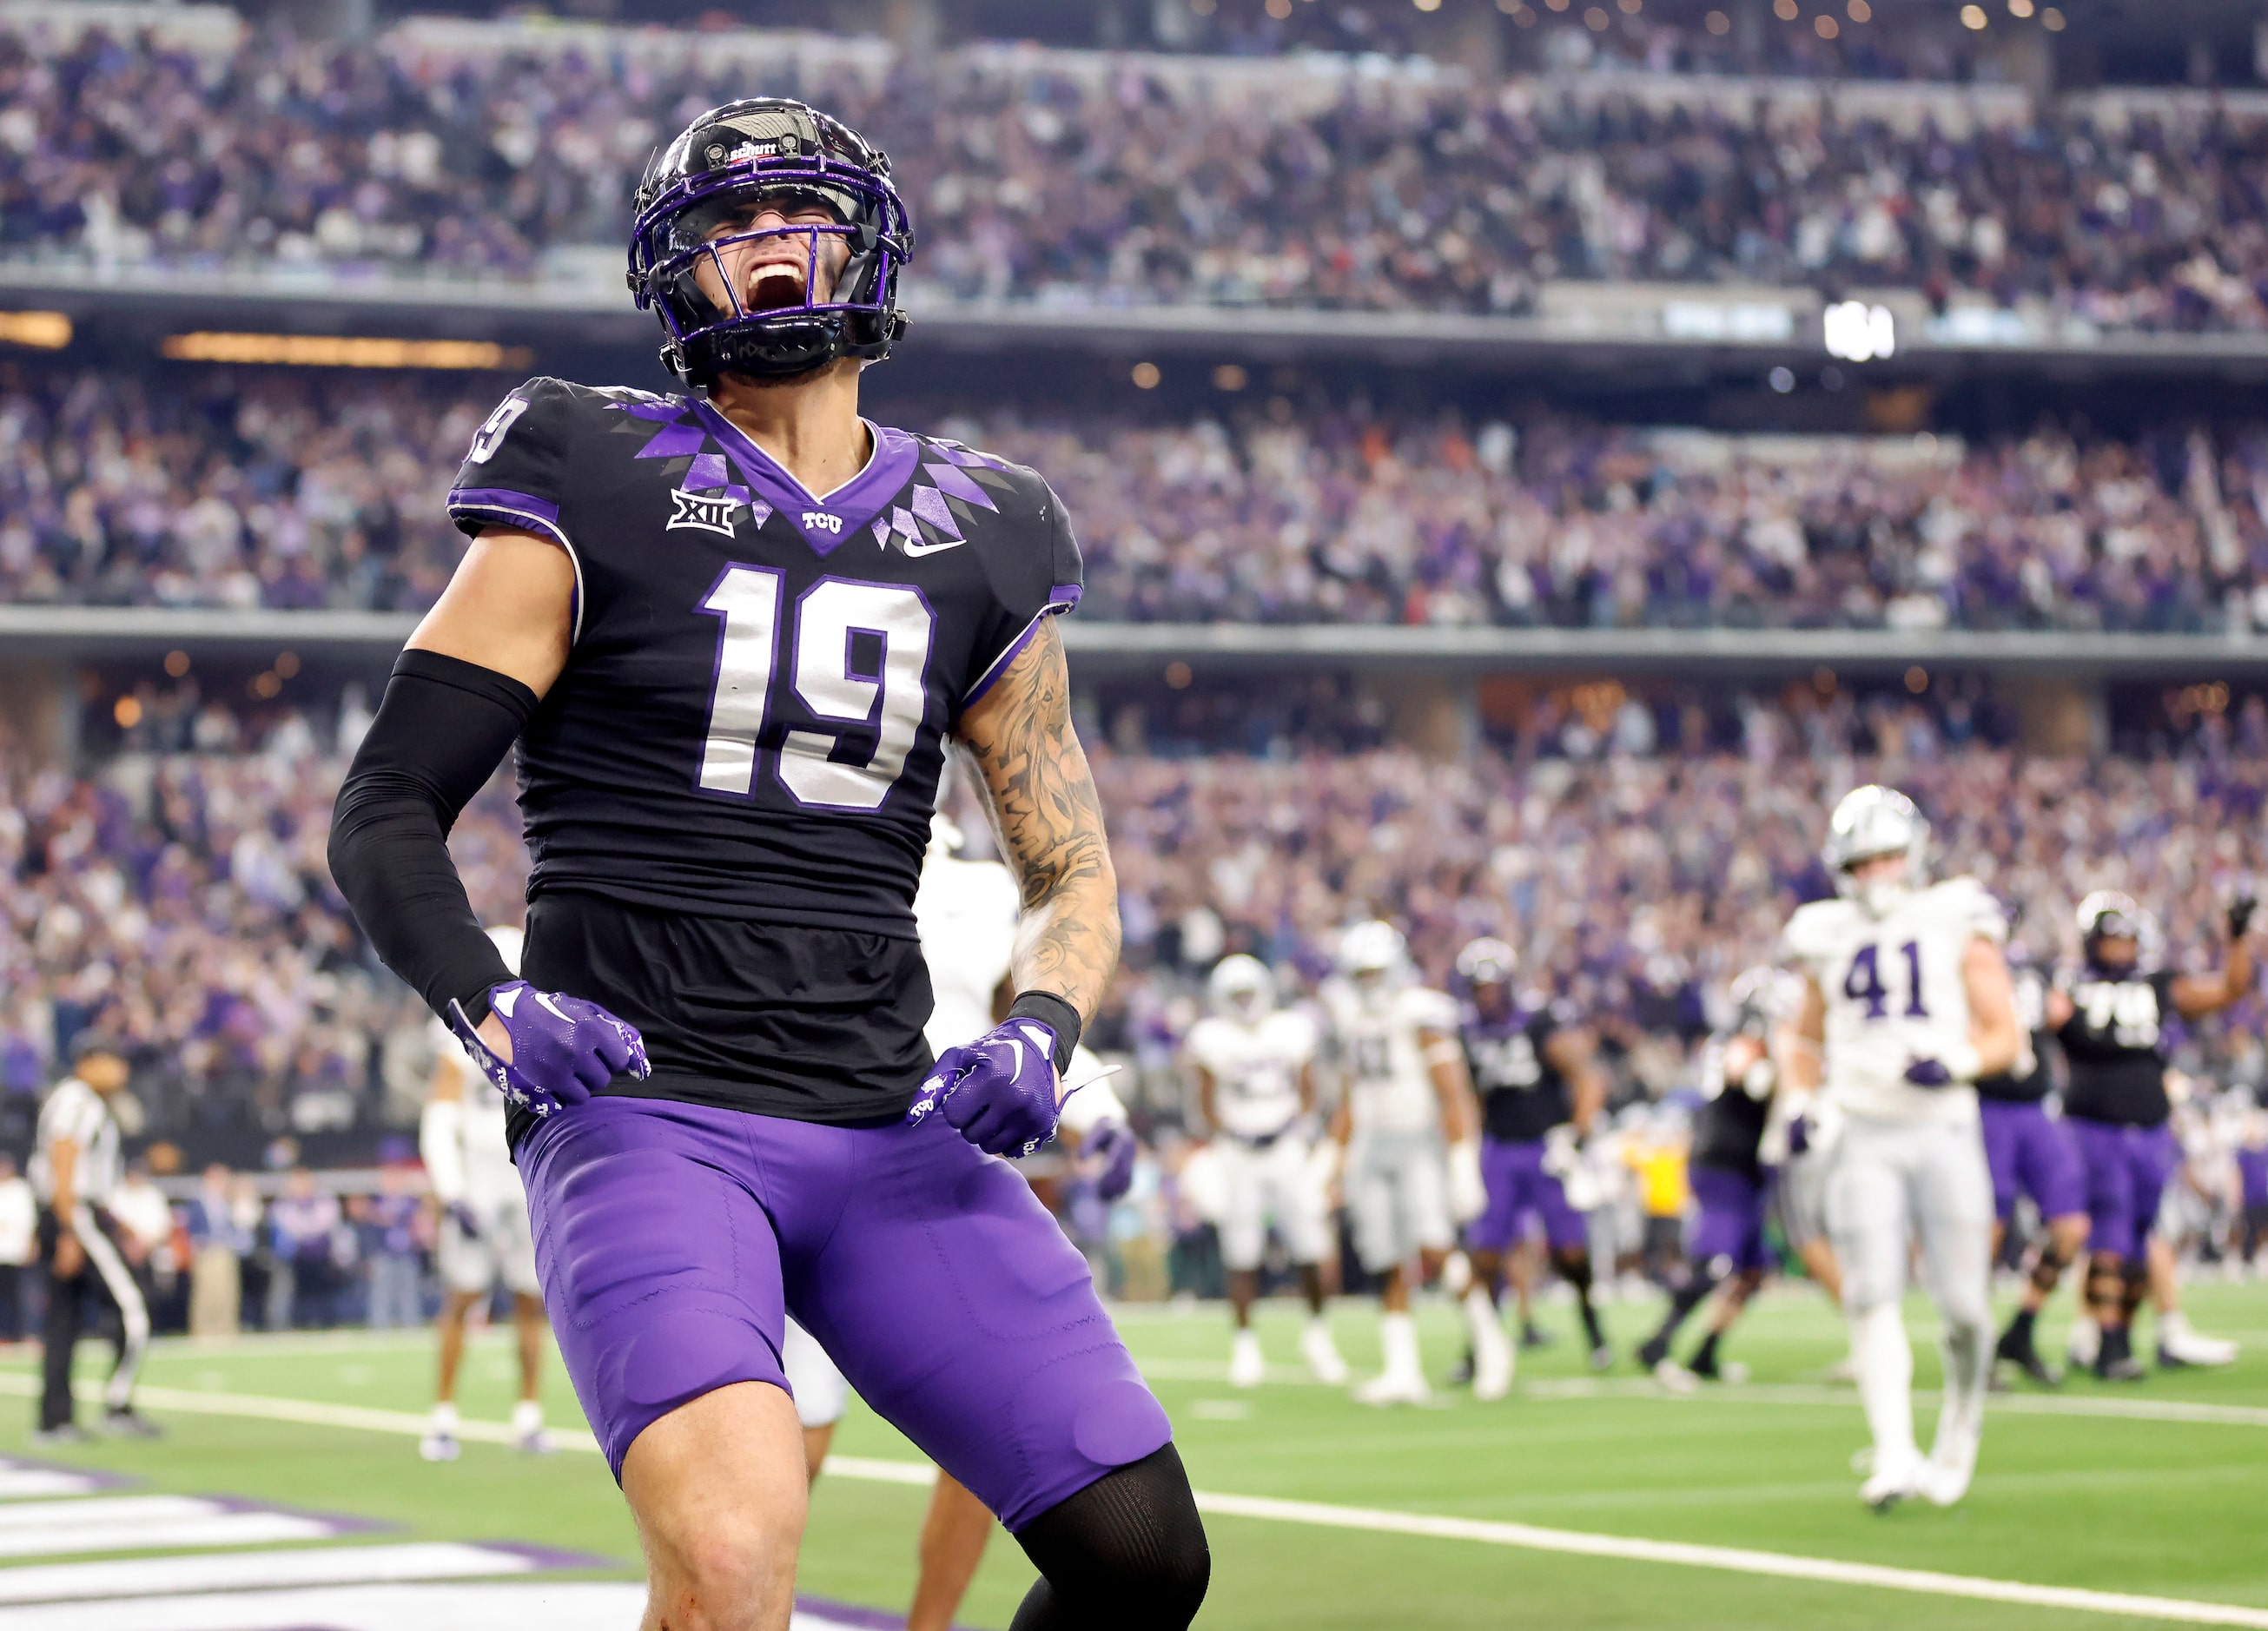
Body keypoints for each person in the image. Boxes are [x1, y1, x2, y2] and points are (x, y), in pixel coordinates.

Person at [327, 97, 1207, 1630]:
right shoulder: (587, 466)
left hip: (886, 1123)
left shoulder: (988, 524)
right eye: (730, 227)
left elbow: (1072, 866)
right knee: (733, 1566)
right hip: (649, 1116)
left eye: (796, 214)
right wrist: (489, 1001)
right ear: (685, 274)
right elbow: (388, 799)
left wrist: (1042, 1030)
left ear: (864, 243)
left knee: (1144, 1562)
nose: (769, 248)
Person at [1781, 786, 2020, 1510]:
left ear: (1913, 855)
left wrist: (1957, 1062)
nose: (1877, 872)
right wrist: (1799, 1100)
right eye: (1862, 862)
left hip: (1941, 1124)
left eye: (1887, 856)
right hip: (1861, 1129)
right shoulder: (1823, 933)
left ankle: (1960, 1420)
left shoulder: (1954, 917)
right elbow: (1801, 1036)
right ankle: (1891, 1452)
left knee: (1965, 1306)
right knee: (1869, 1290)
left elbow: (2006, 1034)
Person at [2050, 890, 2252, 1380]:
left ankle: (2116, 1331)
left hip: (2150, 1129)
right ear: (2092, 940)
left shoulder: (2158, 986)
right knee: (2112, 1231)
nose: (2120, 948)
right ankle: (2107, 1340)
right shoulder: (2068, 988)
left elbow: (2229, 988)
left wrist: (2239, 939)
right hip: (2094, 1127)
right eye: (2110, 937)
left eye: (2126, 938)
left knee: (2141, 1236)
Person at [1322, 920, 1480, 1406]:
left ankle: (1489, 1341)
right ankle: (1402, 1370)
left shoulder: (1421, 1011)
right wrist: (1331, 1158)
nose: (1370, 982)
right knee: (1386, 1257)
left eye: (1376, 972)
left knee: (1435, 1246)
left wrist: (1462, 1161)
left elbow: (1454, 1093)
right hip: (1373, 1143)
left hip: (1417, 1140)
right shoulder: (1352, 1020)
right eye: (1361, 973)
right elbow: (1352, 1096)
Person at [1455, 937, 1611, 1394]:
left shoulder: (1538, 1022)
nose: (1486, 994)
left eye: (1492, 984)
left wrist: (1576, 1135)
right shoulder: (1467, 1031)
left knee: (1570, 1250)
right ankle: (1479, 1346)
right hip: (1498, 1150)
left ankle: (1592, 1324)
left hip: (1545, 1147)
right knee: (1484, 1255)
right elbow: (1468, 1098)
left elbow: (1587, 1077)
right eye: (1478, 986)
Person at [1186, 954, 1346, 1390]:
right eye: (1235, 994)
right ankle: (1245, 1344)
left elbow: (1309, 1085)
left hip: (1286, 1146)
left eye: (1248, 993)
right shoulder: (1211, 1037)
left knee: (1311, 1244)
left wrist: (1304, 1130)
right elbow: (1204, 1099)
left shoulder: (1290, 1028)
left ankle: (1317, 1335)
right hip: (1237, 1150)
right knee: (1241, 1252)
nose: (1243, 1001)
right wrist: (1221, 1141)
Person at [420, 924, 551, 1459]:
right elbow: (441, 1111)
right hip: (478, 1176)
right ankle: (444, 1415)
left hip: (522, 1171)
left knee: (531, 1298)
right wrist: (451, 1191)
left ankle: (527, 1414)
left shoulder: (544, 1025)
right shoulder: (464, 1028)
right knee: (462, 1296)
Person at [1637, 967, 1799, 1386]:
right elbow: (1745, 1072)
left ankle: (1705, 1352)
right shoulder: (1742, 1041)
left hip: (1745, 1167)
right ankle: (1658, 1343)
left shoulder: (1743, 1040)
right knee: (1714, 1263)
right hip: (1723, 1163)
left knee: (1750, 1272)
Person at [30, 1038, 159, 1443]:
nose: (122, 1071)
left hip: (73, 1212)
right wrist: (70, 1229)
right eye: (114, 1061)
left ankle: (55, 1420)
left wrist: (117, 1222)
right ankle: (117, 1406)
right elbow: (64, 1161)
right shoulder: (77, 1101)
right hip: (76, 1214)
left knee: (63, 1320)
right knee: (133, 1307)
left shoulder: (76, 1100)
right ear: (89, 1062)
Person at [1979, 939, 2090, 1387]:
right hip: (1986, 1105)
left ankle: (2022, 1329)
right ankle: (1976, 1346)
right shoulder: (1959, 968)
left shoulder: (2034, 971)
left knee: (2071, 1227)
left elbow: (2063, 1017)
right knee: (1987, 1232)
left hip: (2035, 1107)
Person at [182, 1162, 250, 1339]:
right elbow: (192, 1229)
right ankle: (203, 1330)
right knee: (206, 1293)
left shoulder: (228, 1200)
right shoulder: (198, 1201)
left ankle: (226, 1328)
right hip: (206, 1252)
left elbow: (241, 1222)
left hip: (225, 1251)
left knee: (226, 1293)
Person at [0, 1153, 33, 1343]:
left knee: (20, 1296)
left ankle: (21, 1333)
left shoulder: (20, 1189)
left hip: (15, 1252)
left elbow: (26, 1220)